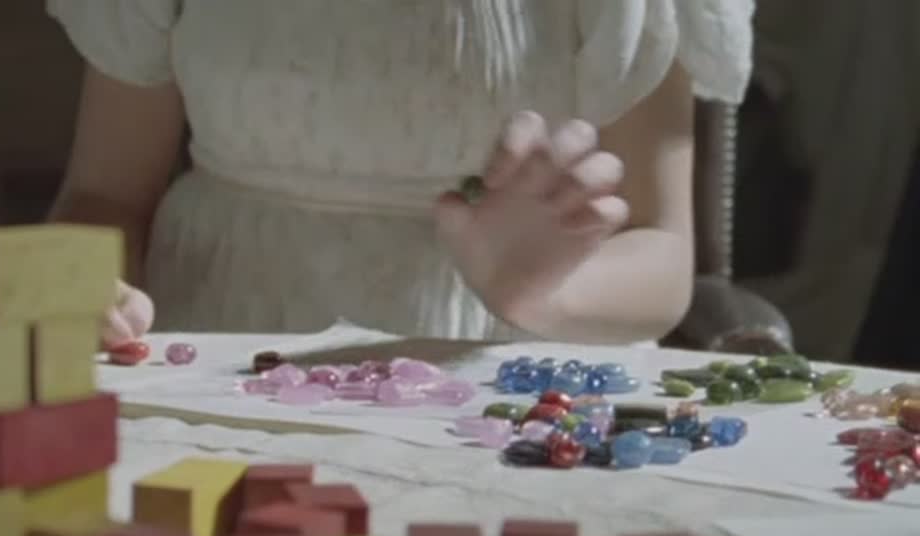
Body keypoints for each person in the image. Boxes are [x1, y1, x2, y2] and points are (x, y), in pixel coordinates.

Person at [46, 0, 754, 348]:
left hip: (501, 392)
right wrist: (83, 288)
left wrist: (543, 290)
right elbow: (105, 195)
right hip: (209, 360)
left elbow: (663, 258)